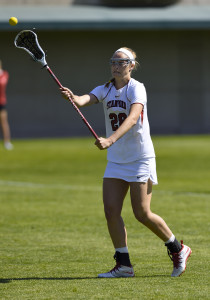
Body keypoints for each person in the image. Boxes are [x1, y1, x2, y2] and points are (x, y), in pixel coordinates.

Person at [60, 47, 191, 278]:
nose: (116, 65)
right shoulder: (106, 88)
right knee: (111, 210)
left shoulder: (136, 88)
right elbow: (84, 99)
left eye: (122, 62)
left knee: (142, 213)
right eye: (113, 62)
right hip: (116, 160)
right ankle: (124, 265)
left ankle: (178, 249)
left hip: (140, 157)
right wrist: (73, 97)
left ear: (132, 65)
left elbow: (132, 118)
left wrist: (110, 139)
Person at [0, 60, 13, 150]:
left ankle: (7, 142)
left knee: (4, 122)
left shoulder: (4, 74)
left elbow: (2, 83)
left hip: (1, 101)